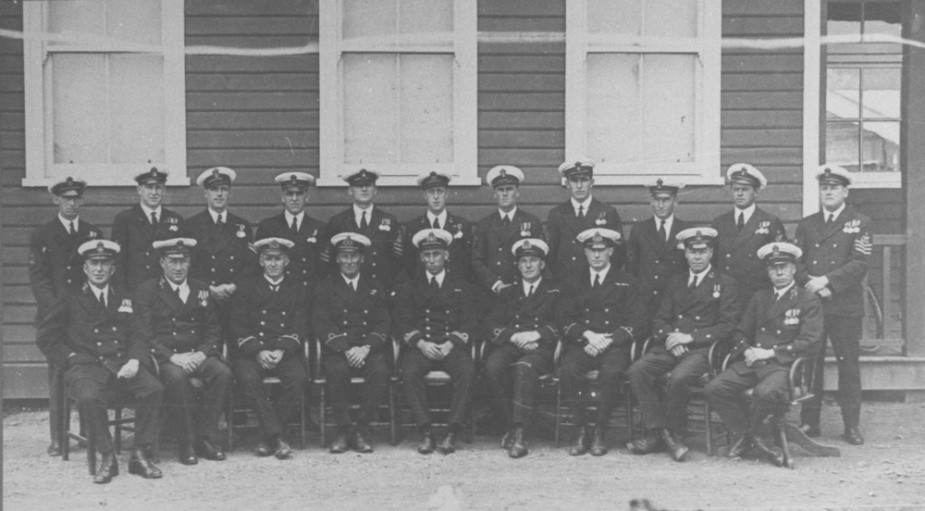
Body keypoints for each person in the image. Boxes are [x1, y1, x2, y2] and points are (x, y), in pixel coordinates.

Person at [37, 240, 163, 483]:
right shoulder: (69, 298)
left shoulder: (125, 297)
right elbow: (46, 337)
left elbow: (139, 334)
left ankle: (139, 454)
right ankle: (107, 456)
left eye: (104, 264)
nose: (99, 269)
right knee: (89, 397)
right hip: (86, 366)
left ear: (113, 269)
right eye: (93, 263)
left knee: (153, 389)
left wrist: (136, 360)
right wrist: (69, 357)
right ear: (85, 268)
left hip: (122, 364)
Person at [705, 242, 824, 467]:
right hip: (753, 364)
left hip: (784, 367)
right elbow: (740, 332)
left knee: (764, 393)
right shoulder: (760, 297)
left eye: (784, 267)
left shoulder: (807, 299)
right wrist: (748, 350)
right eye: (773, 268)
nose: (779, 273)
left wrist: (769, 352)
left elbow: (810, 342)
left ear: (793, 269)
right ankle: (754, 438)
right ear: (767, 271)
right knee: (714, 388)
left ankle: (748, 437)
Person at [626, 228, 740, 461]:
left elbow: (727, 325)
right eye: (692, 252)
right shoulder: (675, 282)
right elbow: (660, 318)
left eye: (702, 251)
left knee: (679, 378)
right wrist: (670, 336)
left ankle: (672, 433)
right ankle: (663, 434)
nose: (697, 257)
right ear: (685, 254)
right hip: (671, 346)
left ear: (710, 253)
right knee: (637, 370)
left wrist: (689, 338)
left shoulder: (724, 283)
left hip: (702, 350)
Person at [132, 238, 231, 465]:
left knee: (223, 374)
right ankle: (185, 441)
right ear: (162, 263)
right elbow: (145, 333)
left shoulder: (201, 288)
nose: (178, 267)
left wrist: (201, 353)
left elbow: (213, 329)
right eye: (172, 261)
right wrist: (172, 357)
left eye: (183, 261)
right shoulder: (148, 290)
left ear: (189, 263)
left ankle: (204, 437)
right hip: (166, 357)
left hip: (197, 354)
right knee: (177, 378)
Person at [795, 164, 872, 445]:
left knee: (848, 366)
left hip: (845, 306)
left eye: (834, 187)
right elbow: (798, 264)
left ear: (845, 191)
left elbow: (860, 264)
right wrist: (812, 284)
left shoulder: (860, 222)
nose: (828, 192)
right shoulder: (808, 224)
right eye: (824, 187)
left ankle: (851, 426)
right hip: (814, 304)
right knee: (811, 364)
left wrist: (827, 281)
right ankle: (809, 422)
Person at [29, 176, 103, 456]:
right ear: (56, 200)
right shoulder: (43, 235)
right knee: (60, 374)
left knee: (87, 369)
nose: (71, 203)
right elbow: (39, 280)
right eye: (66, 198)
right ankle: (59, 437)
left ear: (82, 201)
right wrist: (58, 311)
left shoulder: (92, 233)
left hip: (86, 316)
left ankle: (87, 429)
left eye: (76, 198)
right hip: (56, 317)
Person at [393, 229, 478, 455]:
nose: (432, 260)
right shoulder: (410, 286)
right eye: (427, 255)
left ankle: (452, 431)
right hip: (423, 346)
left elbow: (470, 322)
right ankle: (426, 432)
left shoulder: (460, 286)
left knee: (467, 371)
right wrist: (421, 343)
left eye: (436, 254)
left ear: (446, 256)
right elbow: (402, 323)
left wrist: (451, 343)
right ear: (421, 257)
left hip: (451, 346)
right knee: (409, 372)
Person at [559, 228, 643, 456]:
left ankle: (600, 431)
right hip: (585, 342)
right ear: (585, 252)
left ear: (611, 252)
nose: (596, 255)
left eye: (602, 250)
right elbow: (565, 318)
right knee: (567, 370)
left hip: (613, 345)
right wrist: (588, 335)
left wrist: (610, 339)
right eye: (591, 250)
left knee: (612, 373)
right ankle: (581, 430)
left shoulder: (627, 282)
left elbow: (636, 321)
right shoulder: (574, 280)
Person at [230, 237, 310, 460]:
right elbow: (238, 325)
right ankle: (277, 437)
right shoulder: (246, 288)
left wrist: (282, 349)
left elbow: (300, 324)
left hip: (283, 351)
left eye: (278, 259)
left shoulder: (296, 289)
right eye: (269, 259)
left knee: (299, 378)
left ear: (287, 261)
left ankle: (267, 437)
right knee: (248, 379)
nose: (273, 264)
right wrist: (258, 351)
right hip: (253, 352)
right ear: (261, 261)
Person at [483, 238, 564, 458]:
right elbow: (491, 323)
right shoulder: (509, 292)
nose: (528, 265)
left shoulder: (555, 291)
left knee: (523, 367)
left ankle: (520, 433)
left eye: (533, 261)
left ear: (542, 264)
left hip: (541, 348)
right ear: (517, 266)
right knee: (492, 366)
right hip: (515, 343)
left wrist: (536, 334)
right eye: (524, 261)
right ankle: (511, 422)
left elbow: (562, 323)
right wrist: (515, 336)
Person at [313, 233, 391, 454]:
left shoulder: (374, 286)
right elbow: (321, 322)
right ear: (337, 259)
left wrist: (366, 347)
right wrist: (345, 349)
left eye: (353, 256)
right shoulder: (325, 286)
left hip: (367, 349)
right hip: (339, 349)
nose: (348, 261)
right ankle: (344, 429)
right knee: (336, 372)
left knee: (381, 372)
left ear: (362, 259)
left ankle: (361, 429)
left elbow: (383, 322)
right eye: (344, 256)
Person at [185, 167, 257, 344]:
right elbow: (188, 266)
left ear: (229, 194)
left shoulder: (241, 225)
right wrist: (210, 289)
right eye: (213, 189)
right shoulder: (191, 225)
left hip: (234, 298)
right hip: (204, 297)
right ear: (205, 194)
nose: (219, 194)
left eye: (223, 189)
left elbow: (251, 264)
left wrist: (233, 286)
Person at [625, 179, 690, 339]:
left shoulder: (686, 230)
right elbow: (632, 268)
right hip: (645, 302)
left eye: (666, 200)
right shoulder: (639, 230)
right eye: (656, 200)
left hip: (674, 303)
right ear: (650, 201)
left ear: (676, 201)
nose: (660, 205)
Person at [711, 163, 786, 304]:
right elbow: (713, 262)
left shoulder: (770, 221)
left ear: (756, 192)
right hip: (726, 296)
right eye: (736, 189)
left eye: (745, 189)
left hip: (757, 295)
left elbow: (778, 262)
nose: (739, 193)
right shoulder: (719, 223)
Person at [322, 169, 403, 291]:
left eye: (368, 185)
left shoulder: (389, 220)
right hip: (348, 291)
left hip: (380, 290)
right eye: (359, 186)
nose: (364, 189)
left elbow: (397, 260)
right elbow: (331, 261)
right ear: (350, 190)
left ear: (375, 190)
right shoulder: (337, 221)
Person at [471, 165, 544, 298]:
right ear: (494, 194)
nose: (505, 194)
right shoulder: (485, 224)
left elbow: (540, 260)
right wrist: (496, 284)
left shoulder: (532, 222)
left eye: (509, 189)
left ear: (517, 192)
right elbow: (477, 261)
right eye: (500, 190)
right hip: (492, 291)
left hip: (523, 291)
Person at [546, 159, 622, 281]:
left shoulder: (608, 212)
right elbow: (551, 254)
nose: (579, 186)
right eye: (574, 180)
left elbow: (618, 253)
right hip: (566, 282)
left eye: (584, 180)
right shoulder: (557, 214)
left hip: (596, 282)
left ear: (591, 182)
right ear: (567, 183)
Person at [111, 167, 185, 290]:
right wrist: (123, 295)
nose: (154, 192)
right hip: (136, 289)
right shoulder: (125, 219)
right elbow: (118, 262)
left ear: (164, 190)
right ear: (139, 190)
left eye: (158, 187)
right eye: (149, 187)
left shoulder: (176, 220)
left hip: (167, 290)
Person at [255, 172, 328, 294]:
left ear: (307, 196)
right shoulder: (268, 226)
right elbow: (258, 266)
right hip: (278, 295)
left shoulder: (320, 228)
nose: (294, 199)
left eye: (299, 193)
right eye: (289, 194)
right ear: (282, 197)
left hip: (310, 295)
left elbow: (324, 269)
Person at [403, 170, 473, 282]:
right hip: (424, 289)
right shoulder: (414, 227)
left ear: (447, 193)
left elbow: (468, 262)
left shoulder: (462, 225)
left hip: (455, 289)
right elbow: (409, 264)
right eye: (431, 192)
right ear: (425, 195)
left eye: (440, 191)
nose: (436, 197)